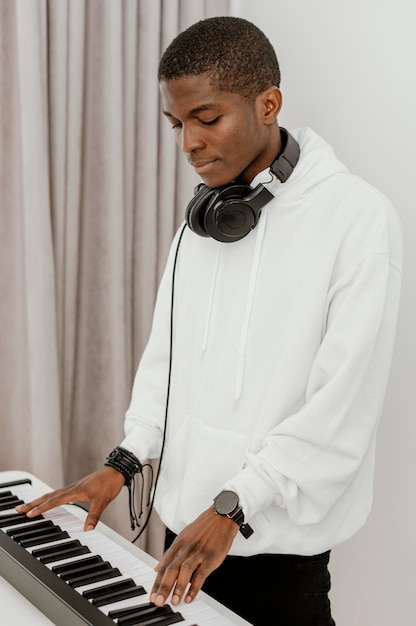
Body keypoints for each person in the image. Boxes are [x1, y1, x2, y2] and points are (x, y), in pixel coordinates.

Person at [17, 17, 403, 626]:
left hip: (273, 560)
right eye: (177, 124)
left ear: (268, 103)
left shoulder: (357, 222)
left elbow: (341, 410)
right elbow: (164, 366)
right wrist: (123, 462)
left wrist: (232, 507)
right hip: (184, 540)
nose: (188, 143)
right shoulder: (201, 225)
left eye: (206, 118)